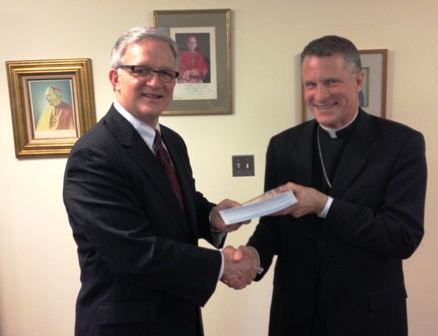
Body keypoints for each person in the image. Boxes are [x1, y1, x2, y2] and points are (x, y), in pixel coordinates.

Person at [63, 27, 256, 336]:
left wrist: (211, 217)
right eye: (141, 70)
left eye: (166, 73)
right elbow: (132, 252)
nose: (155, 82)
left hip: (178, 316)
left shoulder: (172, 142)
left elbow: (178, 202)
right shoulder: (94, 154)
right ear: (116, 79)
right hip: (126, 326)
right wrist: (220, 265)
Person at [231, 35, 427, 335]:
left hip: (368, 315)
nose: (320, 95)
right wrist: (254, 257)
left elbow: (402, 237)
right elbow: (273, 226)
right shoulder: (283, 145)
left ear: (358, 81)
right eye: (311, 84)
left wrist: (325, 206)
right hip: (296, 313)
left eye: (332, 82)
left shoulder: (401, 144)